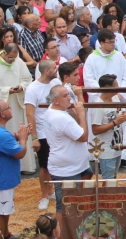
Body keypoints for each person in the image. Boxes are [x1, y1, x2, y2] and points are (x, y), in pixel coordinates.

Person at [0, 98, 31, 239]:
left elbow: (6, 144)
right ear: (3, 114)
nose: (10, 109)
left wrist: (19, 136)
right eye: (8, 108)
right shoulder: (0, 133)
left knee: (5, 210)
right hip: (1, 180)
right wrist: (22, 139)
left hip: (0, 178)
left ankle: (4, 234)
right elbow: (20, 153)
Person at [0, 43, 35, 174]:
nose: (13, 61)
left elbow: (27, 78)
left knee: (19, 128)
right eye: (11, 58)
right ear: (5, 53)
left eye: (15, 58)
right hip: (1, 105)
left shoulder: (18, 61)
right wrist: (7, 90)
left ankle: (25, 165)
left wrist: (21, 87)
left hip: (17, 104)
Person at [44, 84, 91, 222]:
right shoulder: (61, 118)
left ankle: (75, 223)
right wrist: (82, 114)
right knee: (63, 206)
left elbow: (75, 125)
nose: (69, 98)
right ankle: (61, 234)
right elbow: (83, 137)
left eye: (68, 94)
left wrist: (79, 101)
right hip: (67, 170)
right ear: (56, 100)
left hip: (73, 166)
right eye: (65, 96)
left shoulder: (52, 110)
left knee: (86, 177)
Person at [24, 60, 62, 210]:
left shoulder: (56, 82)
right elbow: (30, 114)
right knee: (44, 166)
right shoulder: (33, 89)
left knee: (56, 163)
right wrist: (34, 137)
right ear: (47, 71)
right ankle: (44, 195)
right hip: (42, 132)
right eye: (54, 67)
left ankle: (52, 190)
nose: (56, 69)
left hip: (57, 130)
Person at [83, 29, 126, 103]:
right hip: (99, 100)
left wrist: (120, 94)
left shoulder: (119, 56)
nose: (113, 44)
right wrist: (105, 96)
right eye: (110, 42)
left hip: (118, 98)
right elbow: (89, 80)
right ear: (102, 43)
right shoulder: (92, 58)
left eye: (114, 41)